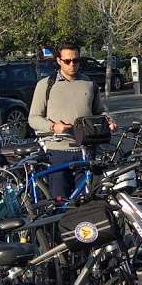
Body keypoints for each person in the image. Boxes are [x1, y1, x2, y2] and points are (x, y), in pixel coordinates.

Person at [28, 43, 117, 198]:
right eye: (67, 61)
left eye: (75, 60)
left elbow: (99, 111)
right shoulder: (45, 85)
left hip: (86, 150)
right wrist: (54, 126)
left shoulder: (89, 83)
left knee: (87, 201)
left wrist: (109, 121)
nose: (72, 65)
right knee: (60, 201)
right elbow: (33, 118)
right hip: (58, 151)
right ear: (58, 60)